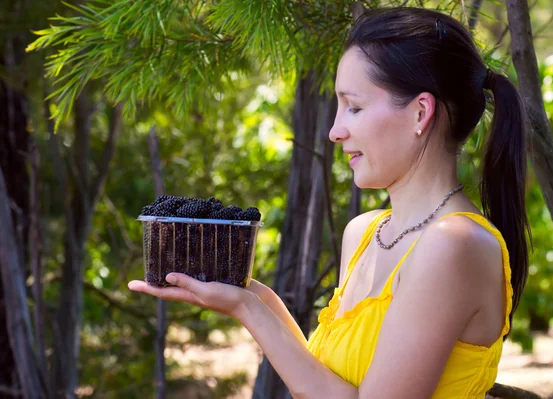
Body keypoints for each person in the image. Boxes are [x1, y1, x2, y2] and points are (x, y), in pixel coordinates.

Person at [129, 6, 530, 398]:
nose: (335, 131)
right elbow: (326, 381)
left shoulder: (453, 244)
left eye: (354, 107)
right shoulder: (365, 233)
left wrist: (246, 311)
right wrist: (252, 296)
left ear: (421, 113)